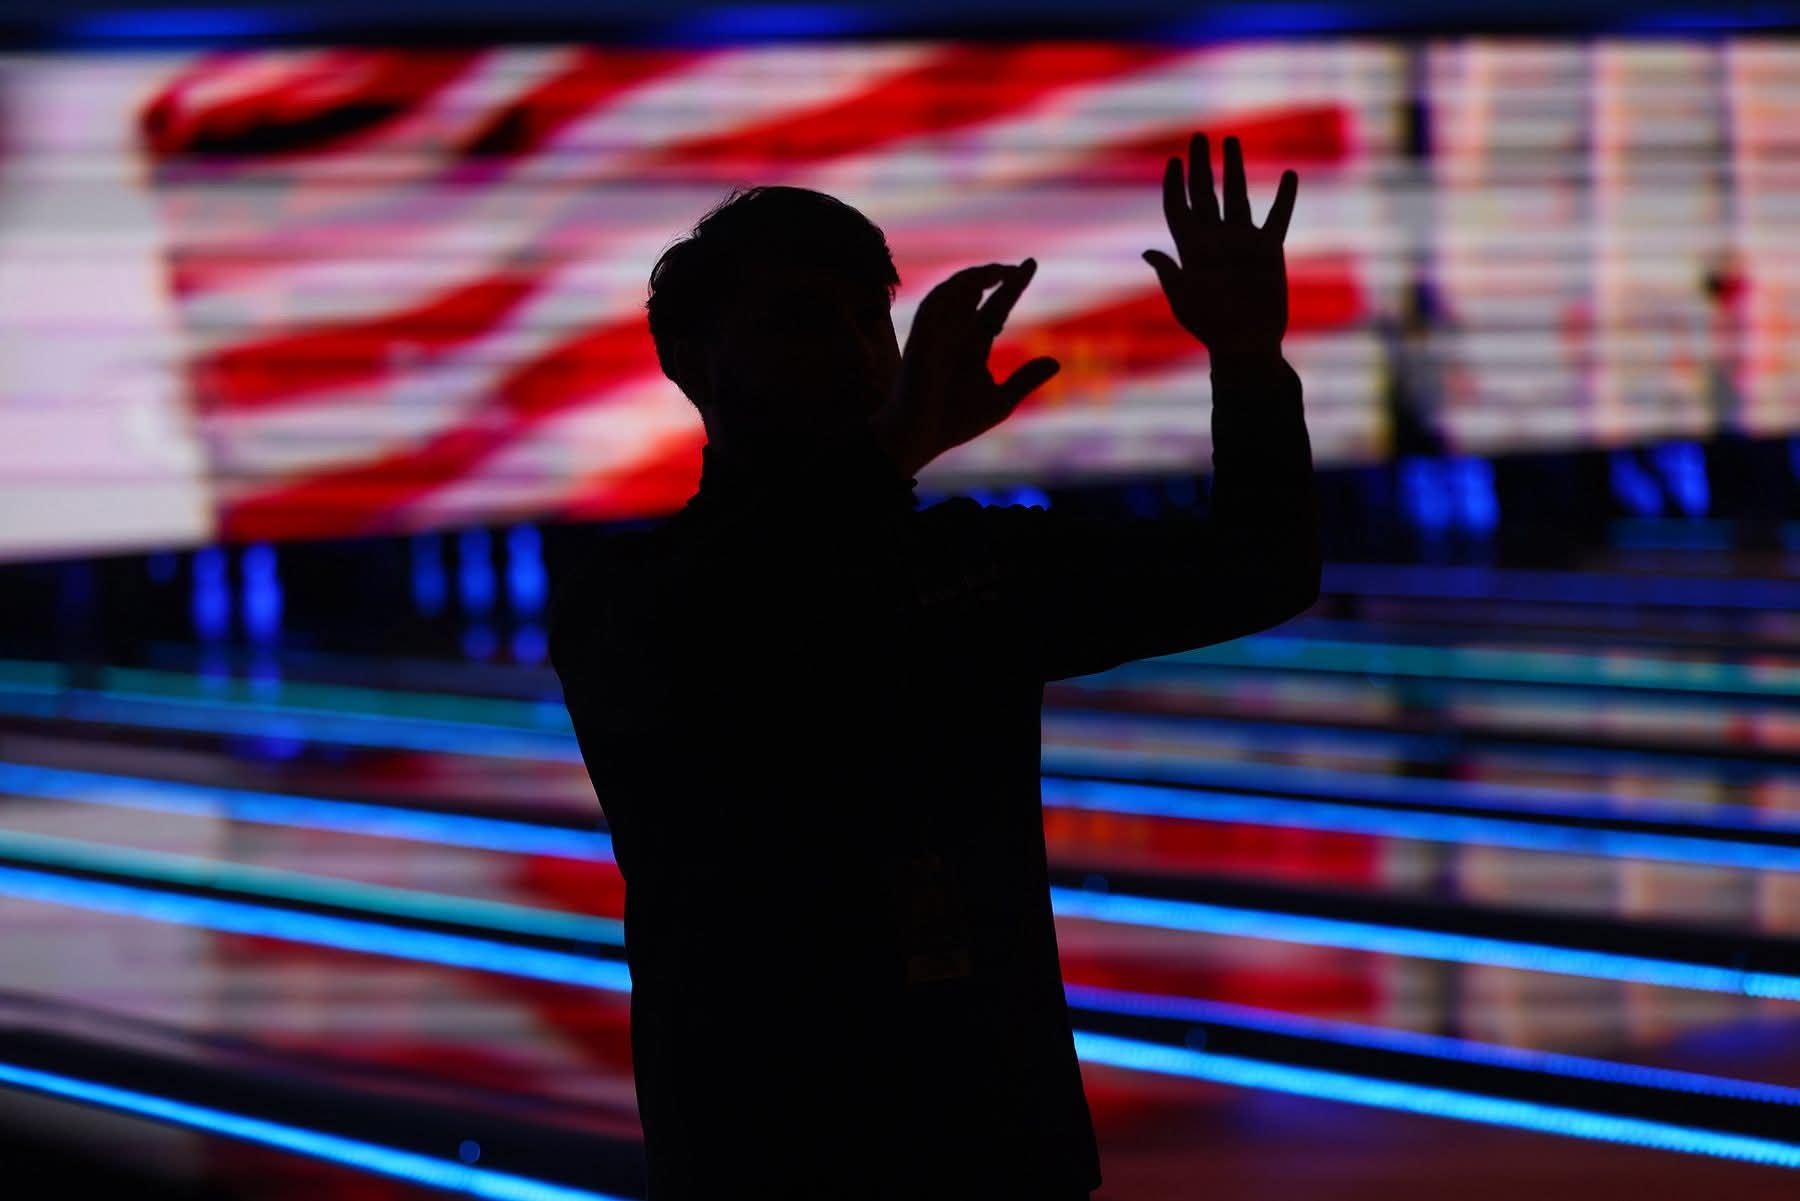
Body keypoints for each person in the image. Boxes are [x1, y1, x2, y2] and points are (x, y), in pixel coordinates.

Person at [548, 132, 1316, 1201]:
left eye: (873, 316)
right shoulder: (628, 594)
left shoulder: (966, 564)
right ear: (693, 362)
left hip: (1001, 1137)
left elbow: (1255, 571)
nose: (862, 350)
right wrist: (891, 451)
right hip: (770, 1152)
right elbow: (756, 621)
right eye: (804, 322)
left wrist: (1247, 360)